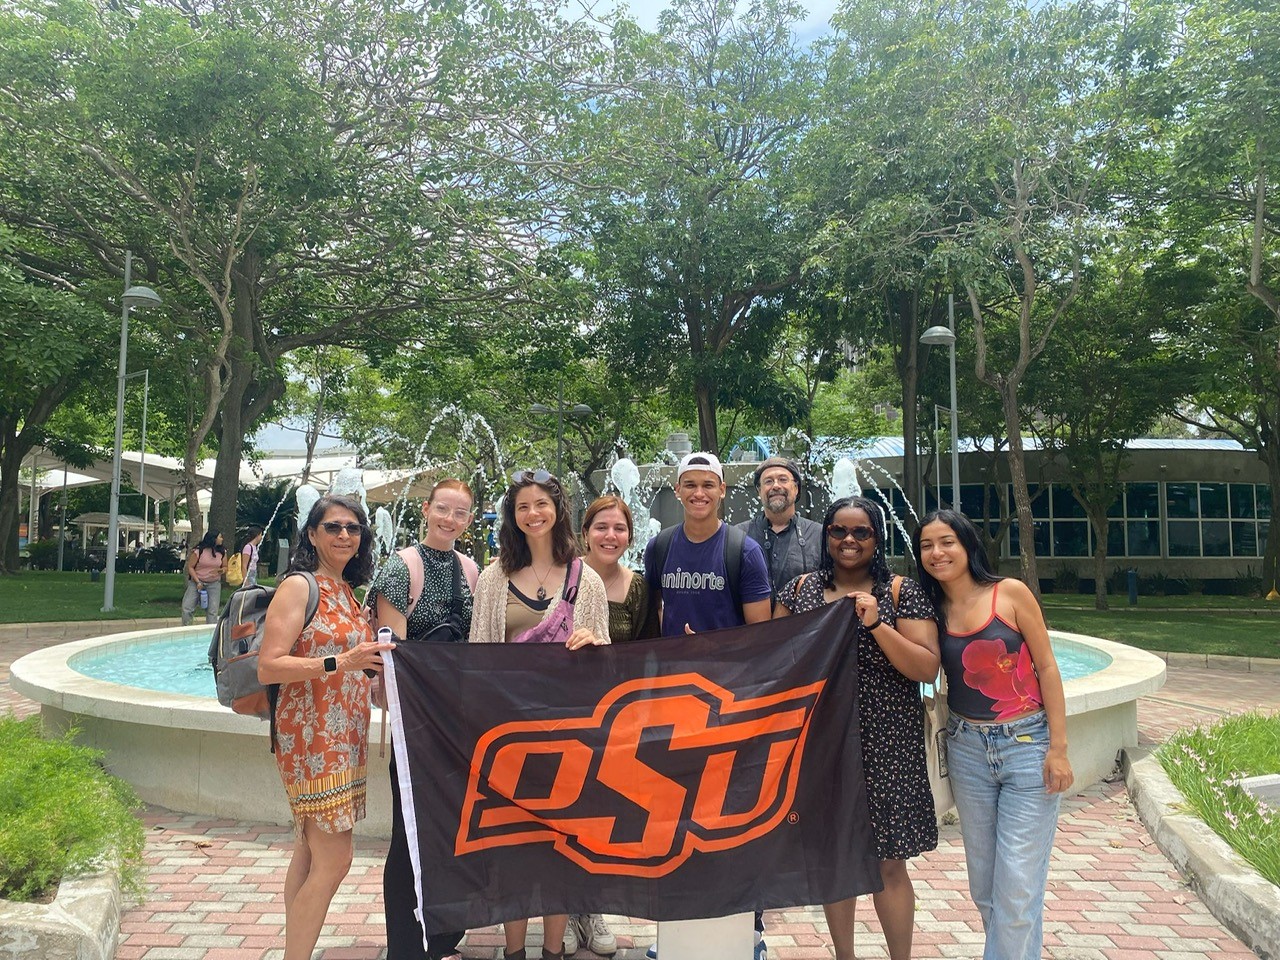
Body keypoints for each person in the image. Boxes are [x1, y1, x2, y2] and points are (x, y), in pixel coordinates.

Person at [774, 496, 940, 960]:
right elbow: (774, 664)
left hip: (888, 743)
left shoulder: (900, 592)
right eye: (839, 531)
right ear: (825, 535)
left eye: (861, 532)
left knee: (890, 863)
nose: (849, 541)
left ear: (877, 538)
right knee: (837, 860)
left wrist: (875, 624)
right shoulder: (798, 591)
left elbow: (926, 668)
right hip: (822, 742)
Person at [911, 510, 1074, 960]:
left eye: (947, 542)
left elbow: (1048, 668)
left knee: (1017, 887)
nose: (937, 552)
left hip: (1026, 745)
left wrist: (1058, 749)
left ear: (967, 546)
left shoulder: (1011, 593)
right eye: (927, 545)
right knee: (987, 889)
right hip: (966, 750)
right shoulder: (932, 611)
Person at [469, 469, 610, 960]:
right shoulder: (493, 577)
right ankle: (513, 953)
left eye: (542, 504)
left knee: (559, 846)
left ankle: (553, 950)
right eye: (523, 505)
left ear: (558, 510)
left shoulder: (585, 578)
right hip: (509, 735)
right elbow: (479, 657)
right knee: (510, 849)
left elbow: (606, 661)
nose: (533, 513)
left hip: (566, 735)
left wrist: (593, 643)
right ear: (513, 514)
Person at [641, 452, 772, 960]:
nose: (698, 494)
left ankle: (749, 931)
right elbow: (654, 619)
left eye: (707, 485)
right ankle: (675, 931)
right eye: (689, 485)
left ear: (722, 491)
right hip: (674, 706)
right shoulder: (661, 546)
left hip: (731, 705)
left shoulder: (744, 550)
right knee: (675, 818)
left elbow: (761, 638)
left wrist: (715, 651)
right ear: (678, 491)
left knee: (736, 816)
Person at [257, 494, 396, 960]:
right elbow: (269, 666)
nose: (343, 535)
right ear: (312, 534)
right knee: (336, 860)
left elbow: (357, 665)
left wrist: (372, 679)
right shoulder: (300, 586)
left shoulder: (348, 591)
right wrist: (344, 660)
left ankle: (294, 951)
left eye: (353, 528)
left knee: (310, 853)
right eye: (332, 527)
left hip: (345, 737)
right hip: (313, 738)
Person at [367, 479, 480, 960]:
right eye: (442, 509)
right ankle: (405, 948)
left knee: (452, 829)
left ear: (469, 520)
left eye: (460, 513)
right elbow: (394, 652)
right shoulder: (400, 567)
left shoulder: (473, 569)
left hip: (457, 721)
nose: (449, 520)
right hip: (416, 721)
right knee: (408, 832)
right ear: (426, 509)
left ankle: (443, 937)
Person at [734, 456, 822, 609]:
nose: (776, 486)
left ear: (796, 488)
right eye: (768, 481)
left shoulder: (818, 534)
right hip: (754, 630)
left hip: (806, 629)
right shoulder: (738, 536)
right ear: (759, 491)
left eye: (783, 479)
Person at [181, 530, 227, 625]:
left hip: (213, 584)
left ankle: (210, 633)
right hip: (197, 582)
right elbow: (190, 567)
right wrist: (198, 581)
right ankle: (186, 628)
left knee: (212, 611)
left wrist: (220, 571)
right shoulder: (199, 551)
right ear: (213, 539)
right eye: (220, 537)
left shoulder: (222, 552)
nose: (222, 539)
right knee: (187, 608)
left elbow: (225, 567)